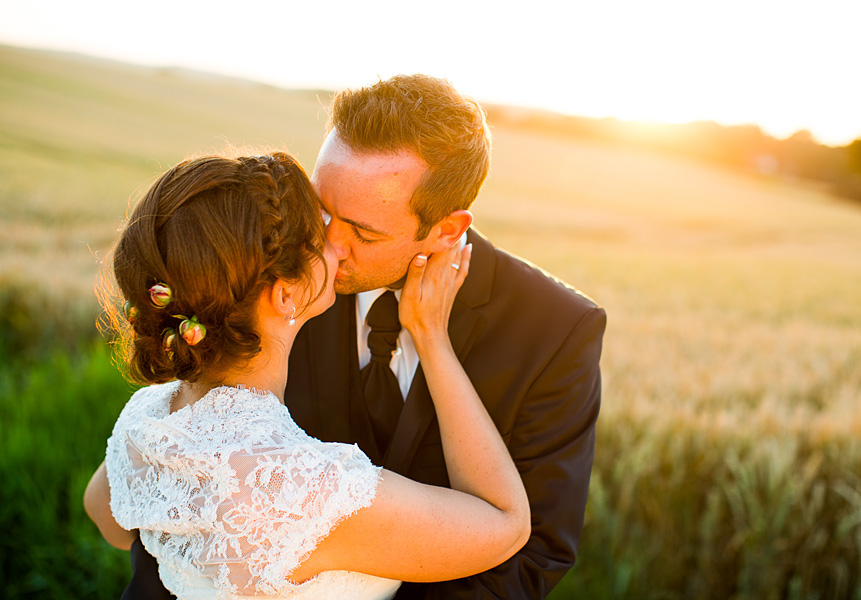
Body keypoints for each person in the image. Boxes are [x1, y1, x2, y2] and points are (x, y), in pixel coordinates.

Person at [123, 75, 606, 599]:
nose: (326, 243)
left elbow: (533, 556)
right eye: (322, 208)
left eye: (363, 231)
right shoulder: (277, 279)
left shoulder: (556, 329)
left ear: (447, 229)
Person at [84, 152, 531, 599]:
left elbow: (108, 518)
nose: (338, 243)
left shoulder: (149, 417)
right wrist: (432, 336)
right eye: (320, 231)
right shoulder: (305, 489)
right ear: (284, 296)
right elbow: (505, 523)